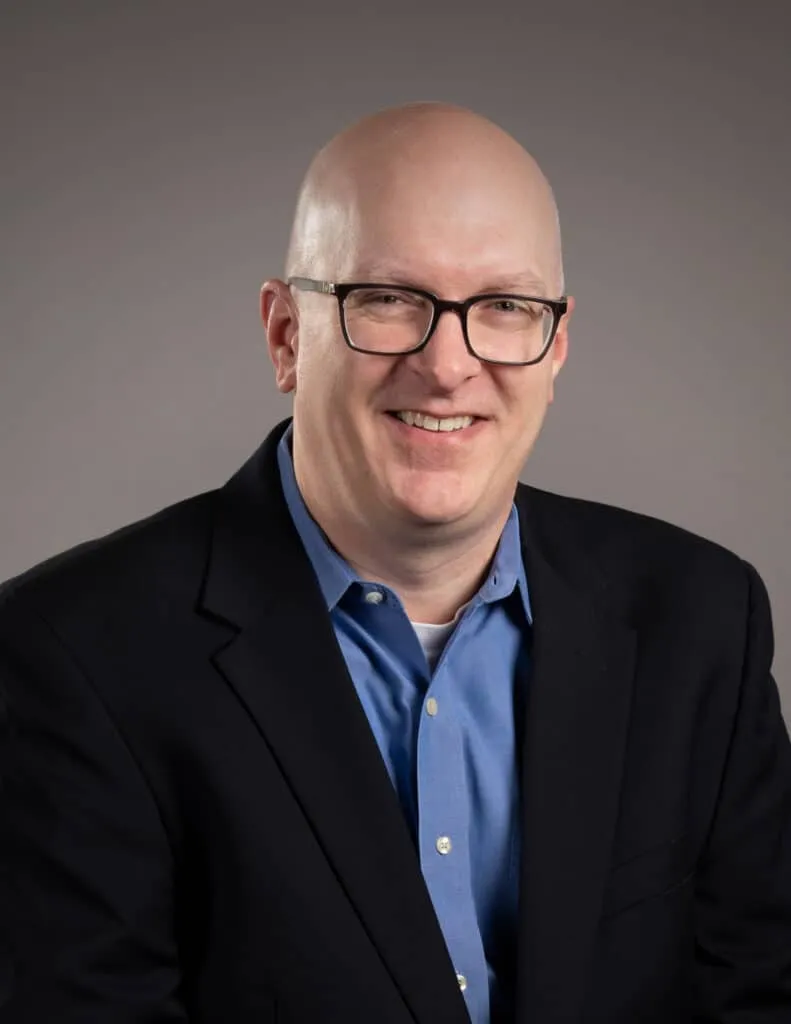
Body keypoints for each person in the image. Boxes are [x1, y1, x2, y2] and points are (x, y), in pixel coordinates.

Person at [0, 102, 789, 1024]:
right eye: (387, 300)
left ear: (556, 342)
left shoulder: (698, 619)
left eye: (503, 307)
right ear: (286, 334)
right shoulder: (70, 656)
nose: (447, 364)